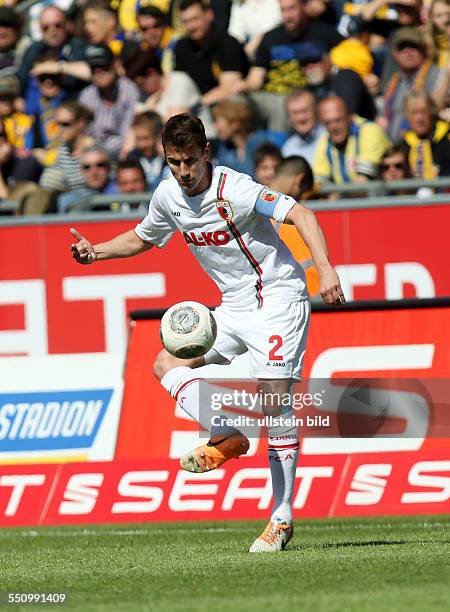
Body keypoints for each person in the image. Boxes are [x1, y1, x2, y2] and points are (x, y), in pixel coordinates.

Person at [70, 112, 345, 553]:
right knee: (164, 363)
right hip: (232, 307)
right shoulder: (167, 196)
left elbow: (303, 215)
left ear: (207, 154)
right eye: (173, 161)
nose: (182, 171)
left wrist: (326, 269)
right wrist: (94, 252)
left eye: (189, 161)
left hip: (277, 298)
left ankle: (281, 517)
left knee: (274, 399)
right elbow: (143, 237)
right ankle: (226, 432)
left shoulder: (235, 189)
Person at [79, 44, 140, 159]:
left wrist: (95, 146)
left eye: (104, 65)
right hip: (92, 159)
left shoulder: (129, 91)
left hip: (122, 157)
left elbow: (126, 138)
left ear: (116, 64)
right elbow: (83, 136)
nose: (98, 71)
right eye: (93, 67)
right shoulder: (86, 95)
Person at [313, 95, 390, 185]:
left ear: (350, 117)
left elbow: (364, 182)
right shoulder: (325, 140)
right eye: (327, 123)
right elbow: (318, 183)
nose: (333, 127)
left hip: (385, 196)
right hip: (348, 197)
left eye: (338, 120)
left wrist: (336, 195)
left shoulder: (370, 130)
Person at [400, 91, 450, 178]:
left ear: (432, 113)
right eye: (414, 113)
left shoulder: (447, 136)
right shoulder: (403, 147)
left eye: (423, 112)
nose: (420, 118)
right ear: (407, 117)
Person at [58, 144, 116, 212]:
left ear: (109, 167)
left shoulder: (123, 192)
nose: (94, 171)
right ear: (81, 171)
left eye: (100, 165)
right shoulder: (68, 202)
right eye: (87, 167)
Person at [281, 89, 326, 164]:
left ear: (315, 110)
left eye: (304, 111)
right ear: (289, 118)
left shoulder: (329, 138)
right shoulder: (288, 148)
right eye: (295, 113)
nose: (301, 118)